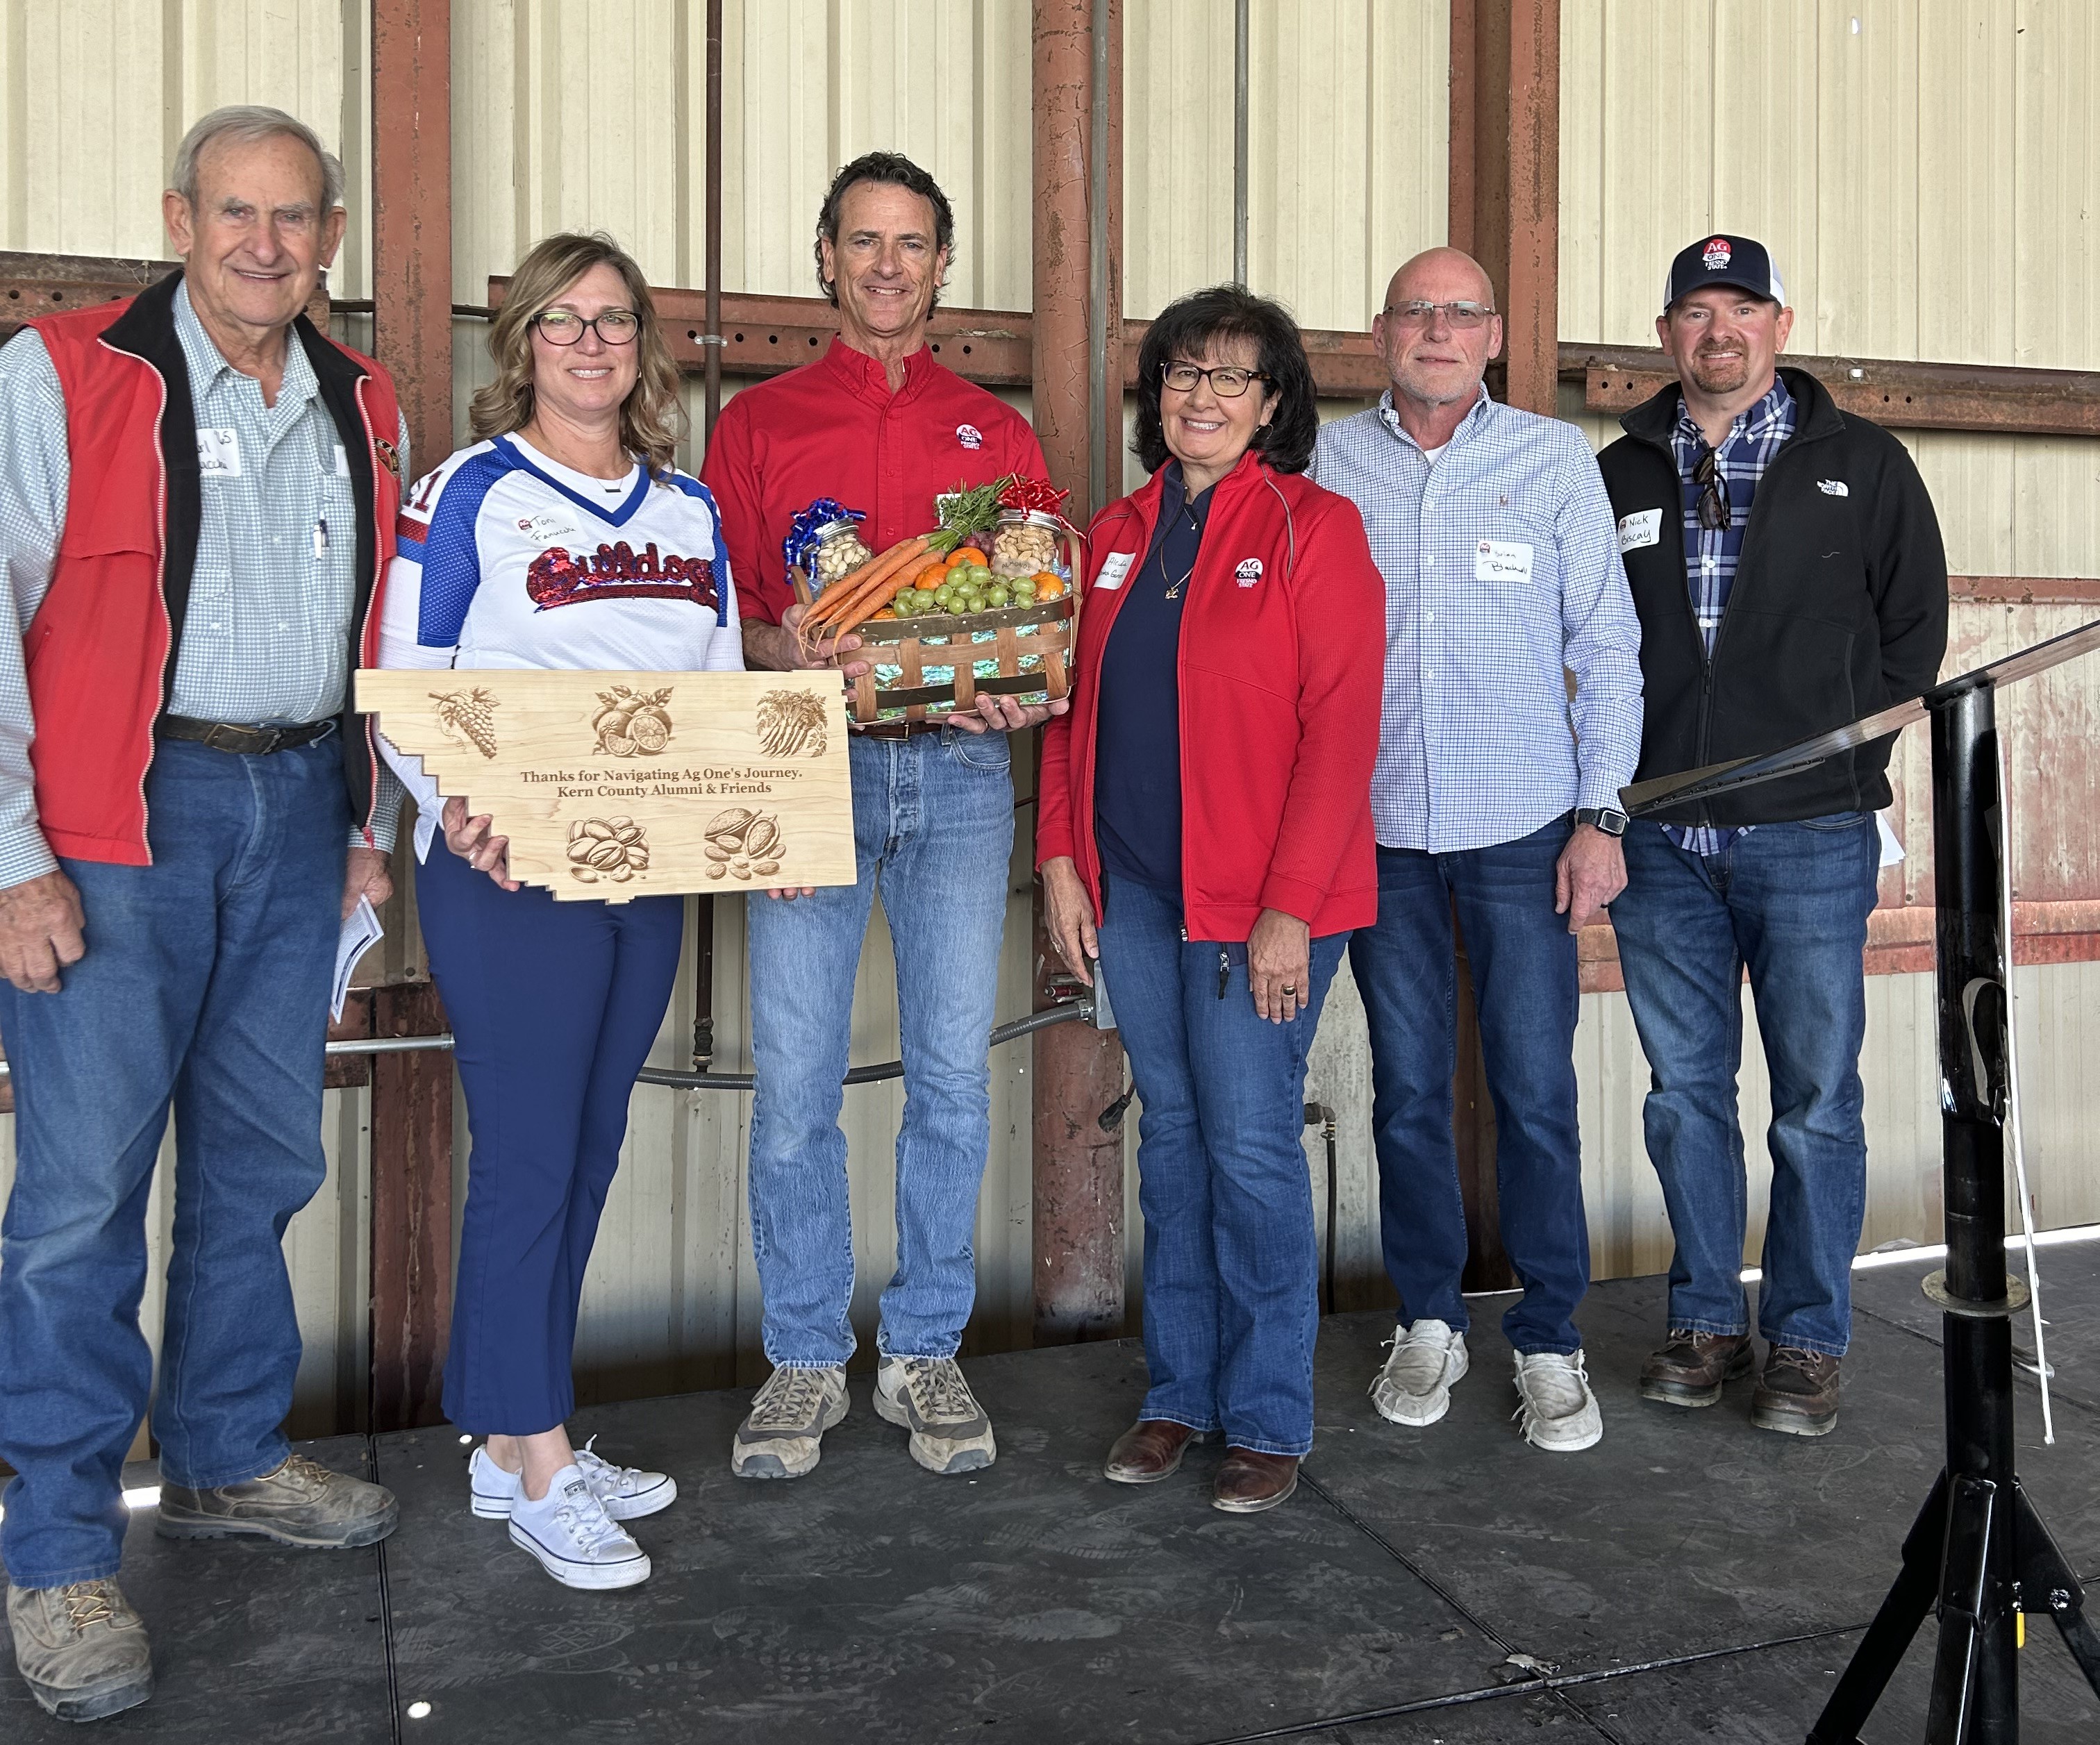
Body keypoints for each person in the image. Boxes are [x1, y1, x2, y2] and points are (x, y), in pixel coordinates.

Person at [0, 106, 407, 1722]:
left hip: (296, 808)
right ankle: (55, 1550)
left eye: (293, 217)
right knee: (79, 1201)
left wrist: (365, 829)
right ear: (179, 220)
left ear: (330, 237)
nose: (264, 243)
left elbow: (376, 627)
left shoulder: (361, 399)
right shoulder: (65, 375)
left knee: (262, 1159)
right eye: (235, 212)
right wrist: (10, 854)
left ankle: (228, 1453)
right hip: (117, 822)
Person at [377, 233, 740, 1587]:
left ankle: (506, 1434)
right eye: (564, 321)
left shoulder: (688, 509)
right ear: (523, 341)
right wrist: (458, 803)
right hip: (508, 871)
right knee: (530, 1154)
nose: (591, 344)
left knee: (586, 1149)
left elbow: (719, 694)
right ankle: (538, 1460)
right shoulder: (467, 489)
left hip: (647, 869)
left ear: (642, 345)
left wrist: (760, 821)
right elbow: (403, 683)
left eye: (614, 320)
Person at [699, 153, 1058, 1481]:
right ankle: (804, 1352)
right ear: (826, 259)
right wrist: (779, 645)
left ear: (943, 265)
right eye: (864, 241)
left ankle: (923, 1348)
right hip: (807, 768)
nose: (888, 266)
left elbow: (1037, 610)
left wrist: (1018, 685)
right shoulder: (760, 424)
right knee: (795, 1079)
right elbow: (719, 614)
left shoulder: (996, 435)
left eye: (912, 244)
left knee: (952, 1078)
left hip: (960, 781)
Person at [1596, 235, 1947, 1437]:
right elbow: (1588, 639)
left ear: (1780, 326)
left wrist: (1841, 761)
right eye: (1696, 311)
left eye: (1742, 308)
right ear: (1666, 335)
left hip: (1809, 834)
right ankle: (1705, 1319)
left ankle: (1805, 1336)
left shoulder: (1864, 463)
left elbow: (1914, 631)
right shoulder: (1621, 471)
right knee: (1684, 1093)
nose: (1720, 330)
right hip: (1659, 839)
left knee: (1815, 1099)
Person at [1040, 285, 1383, 1513]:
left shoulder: (1313, 527)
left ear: (1273, 401)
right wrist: (1061, 857)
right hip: (1137, 889)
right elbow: (1068, 708)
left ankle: (1269, 1412)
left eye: (1232, 376)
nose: (1202, 395)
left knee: (1247, 1145)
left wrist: (1290, 908)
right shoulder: (1115, 531)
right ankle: (1179, 1393)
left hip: (1264, 908)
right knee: (1174, 1137)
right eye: (1183, 373)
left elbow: (1342, 730)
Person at [1312, 248, 1644, 1454]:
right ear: (1382, 331)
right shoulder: (1326, 462)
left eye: (1461, 313)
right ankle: (1429, 1318)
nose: (1438, 330)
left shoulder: (1553, 460)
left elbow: (1606, 646)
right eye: (1417, 311)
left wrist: (1601, 816)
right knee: (1406, 1089)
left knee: (1535, 1091)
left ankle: (1550, 1336)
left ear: (1494, 335)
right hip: (1379, 831)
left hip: (1524, 827)